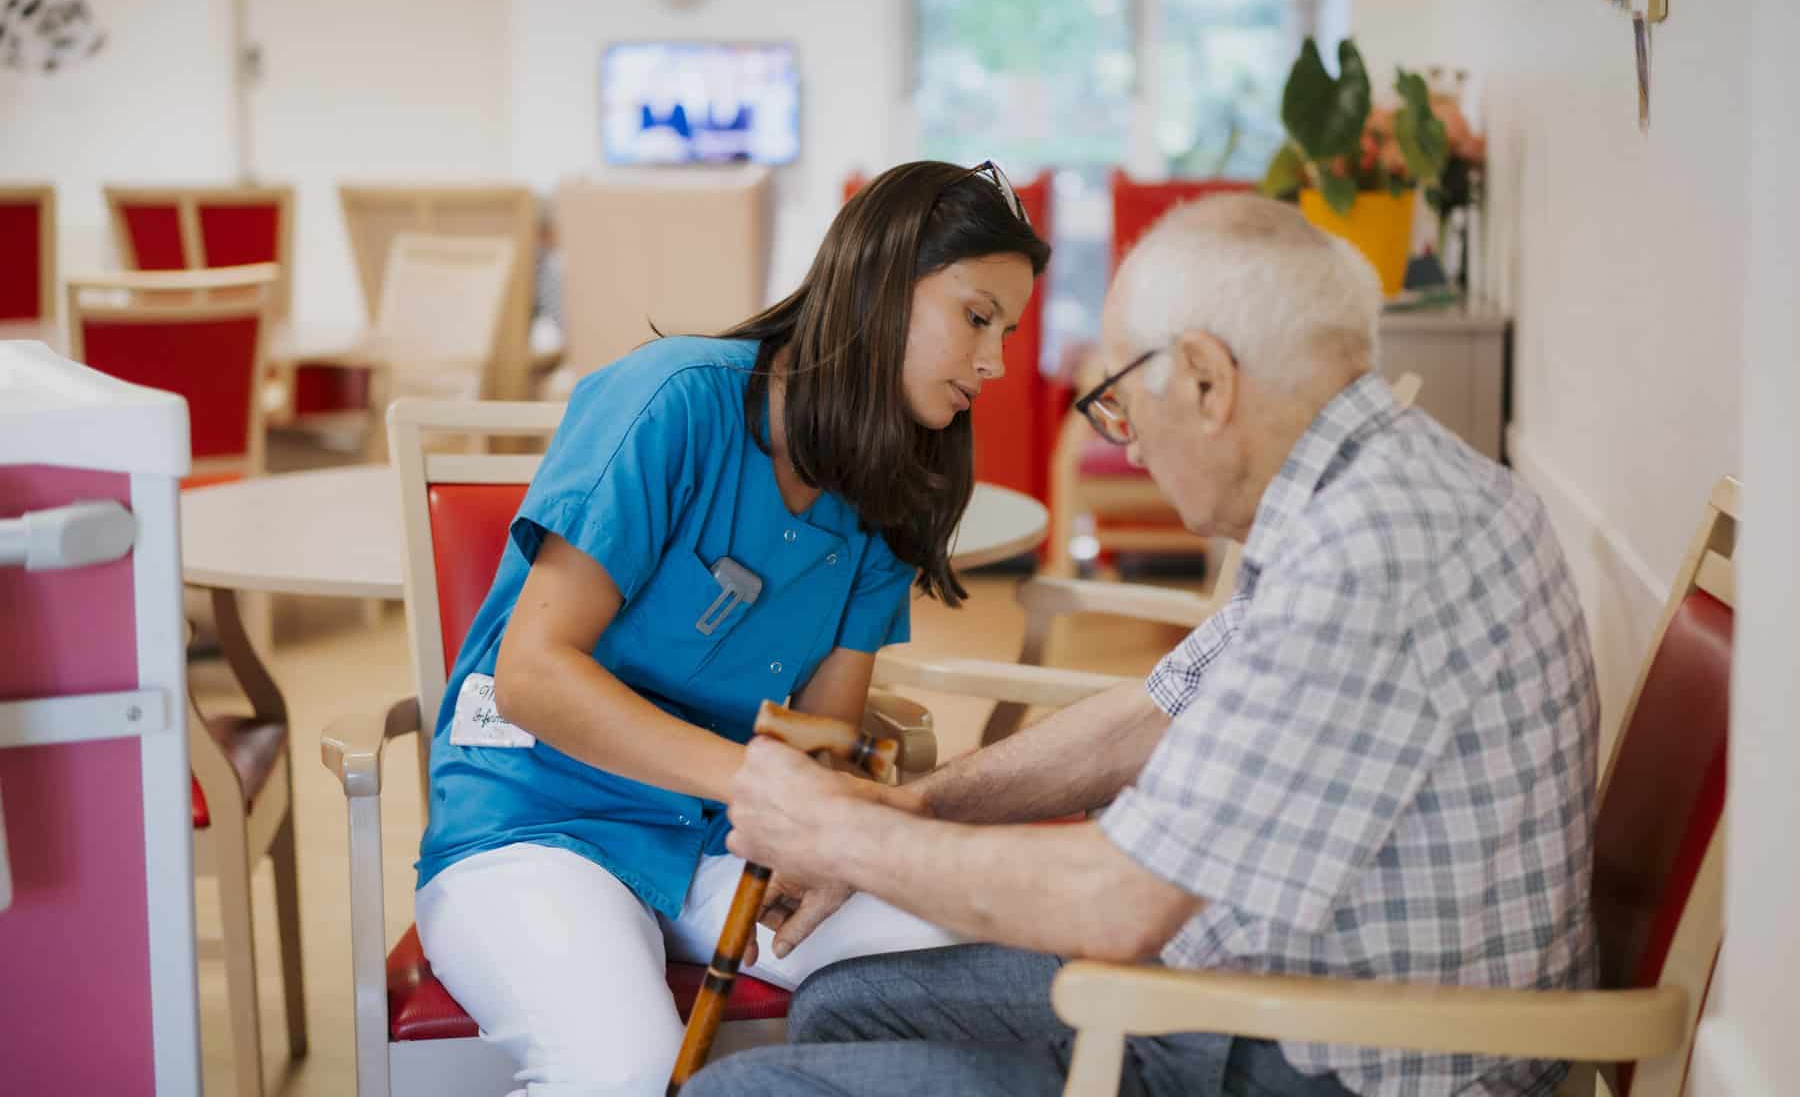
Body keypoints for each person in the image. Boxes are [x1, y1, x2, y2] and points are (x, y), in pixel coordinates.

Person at [696, 193, 1600, 1097]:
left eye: (1120, 405)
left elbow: (1116, 901)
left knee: (734, 1092)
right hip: (1273, 988)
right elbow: (1156, 716)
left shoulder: (1366, 553)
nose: (1126, 450)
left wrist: (843, 833)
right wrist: (910, 808)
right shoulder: (1366, 490)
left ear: (1206, 379)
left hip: (1334, 1059)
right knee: (845, 1004)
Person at [413, 160, 1051, 1095]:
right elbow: (533, 676)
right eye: (977, 316)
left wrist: (827, 829)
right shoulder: (674, 400)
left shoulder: (892, 490)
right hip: (534, 823)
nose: (994, 362)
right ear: (881, 285)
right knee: (624, 1072)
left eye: (1008, 332)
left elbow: (824, 736)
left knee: (968, 971)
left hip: (727, 844)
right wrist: (764, 784)